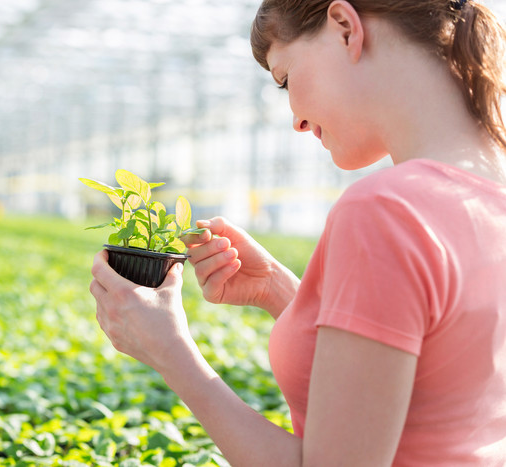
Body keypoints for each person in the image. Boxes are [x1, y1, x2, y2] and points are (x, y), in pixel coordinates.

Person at [89, 0, 506, 464]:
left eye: (285, 78)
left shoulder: (387, 210)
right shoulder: (488, 194)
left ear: (346, 28)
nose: (297, 120)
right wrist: (277, 290)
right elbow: (430, 380)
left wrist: (172, 353)